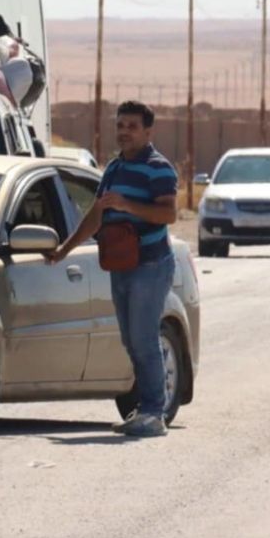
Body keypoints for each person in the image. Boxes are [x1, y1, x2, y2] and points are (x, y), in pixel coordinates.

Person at [47, 100, 179, 437]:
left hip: (151, 264)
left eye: (132, 126)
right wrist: (66, 248)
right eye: (120, 125)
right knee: (130, 339)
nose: (124, 132)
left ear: (148, 131)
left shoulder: (159, 168)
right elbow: (96, 215)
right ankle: (145, 407)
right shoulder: (115, 169)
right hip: (120, 263)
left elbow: (168, 215)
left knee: (144, 337)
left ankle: (154, 412)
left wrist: (127, 204)